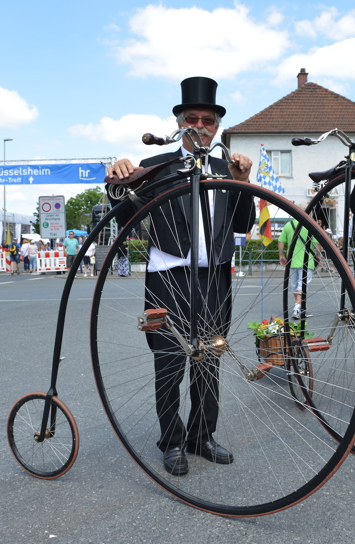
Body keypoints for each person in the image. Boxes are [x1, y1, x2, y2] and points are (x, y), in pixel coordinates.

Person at [107, 76, 255, 476]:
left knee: (210, 360)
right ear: (178, 122)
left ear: (217, 127)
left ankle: (201, 435)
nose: (200, 126)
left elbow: (243, 223)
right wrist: (118, 181)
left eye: (208, 120)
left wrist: (242, 185)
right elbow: (124, 218)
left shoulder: (227, 170)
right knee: (169, 362)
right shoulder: (155, 166)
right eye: (192, 118)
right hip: (168, 277)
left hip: (214, 278)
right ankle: (171, 441)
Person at [278, 219, 320, 320]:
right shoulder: (309, 224)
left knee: (295, 285)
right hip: (307, 260)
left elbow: (281, 241)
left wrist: (281, 255)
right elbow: (317, 243)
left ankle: (300, 307)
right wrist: (318, 254)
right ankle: (297, 309)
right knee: (302, 285)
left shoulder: (288, 225)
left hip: (292, 261)